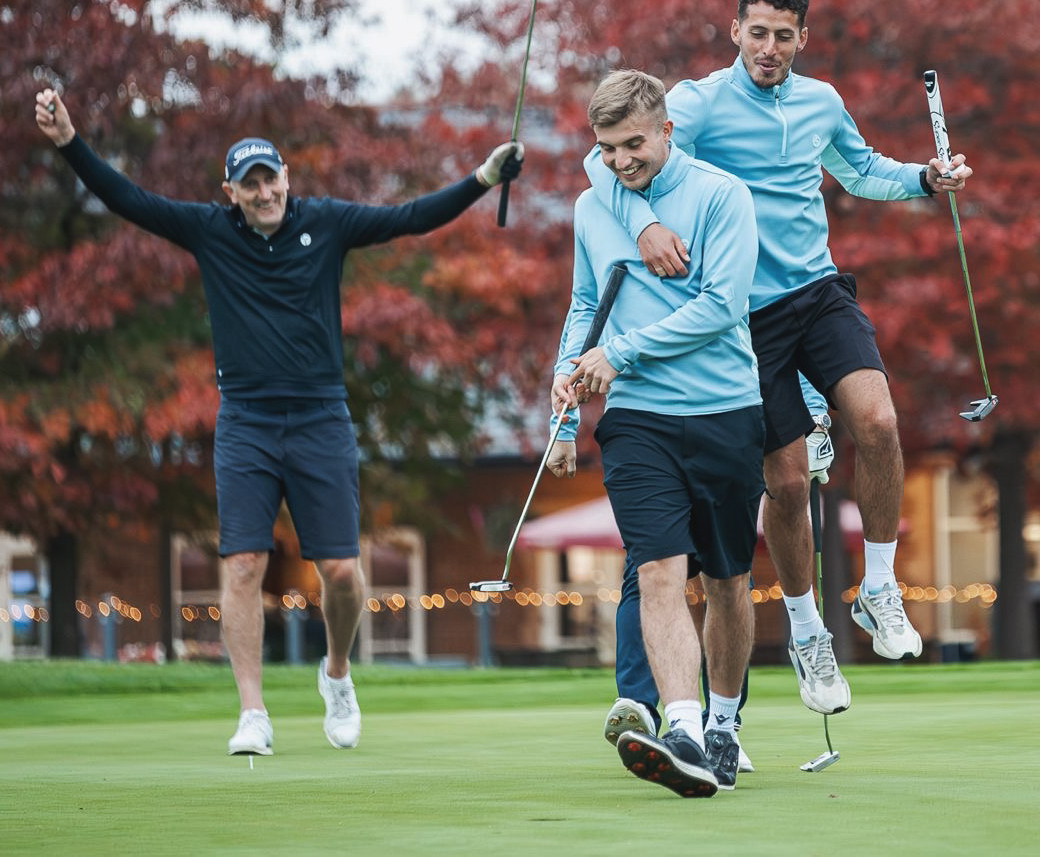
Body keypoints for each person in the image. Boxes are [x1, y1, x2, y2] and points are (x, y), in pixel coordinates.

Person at [34, 87, 522, 756]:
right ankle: (253, 714)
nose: (263, 193)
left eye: (271, 179)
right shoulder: (209, 231)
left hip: (321, 416)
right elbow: (127, 199)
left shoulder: (327, 222)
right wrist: (69, 142)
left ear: (286, 179)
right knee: (241, 565)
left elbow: (409, 217)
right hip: (247, 421)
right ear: (230, 192)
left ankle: (338, 675)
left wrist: (483, 178)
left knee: (344, 574)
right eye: (249, 184)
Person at [583, 0, 974, 715]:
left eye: (783, 35)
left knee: (880, 422)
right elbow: (600, 165)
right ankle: (805, 633)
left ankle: (880, 589)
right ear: (735, 31)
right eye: (756, 32)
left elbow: (860, 171)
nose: (768, 47)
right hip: (739, 318)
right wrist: (645, 223)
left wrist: (926, 179)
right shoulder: (693, 103)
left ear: (802, 38)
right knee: (788, 485)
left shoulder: (821, 101)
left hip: (817, 291)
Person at [547, 69, 764, 797]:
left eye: (633, 144)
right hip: (637, 418)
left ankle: (725, 722)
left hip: (726, 411)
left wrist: (622, 353)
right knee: (659, 571)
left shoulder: (722, 196)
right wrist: (569, 369)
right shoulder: (592, 206)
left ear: (668, 129)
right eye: (606, 149)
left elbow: (723, 306)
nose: (619, 161)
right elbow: (586, 301)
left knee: (731, 582)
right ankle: (681, 726)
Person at [602, 380, 835, 773]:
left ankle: (722, 726)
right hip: (648, 424)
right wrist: (568, 421)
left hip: (726, 420)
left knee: (730, 578)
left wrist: (813, 416)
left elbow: (772, 333)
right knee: (650, 571)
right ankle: (643, 708)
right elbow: (586, 318)